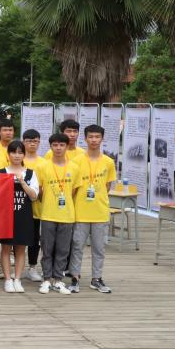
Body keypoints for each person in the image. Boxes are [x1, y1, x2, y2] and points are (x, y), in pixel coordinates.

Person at [68, 124, 116, 294]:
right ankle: (75, 278)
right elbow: (73, 188)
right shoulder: (76, 161)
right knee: (77, 247)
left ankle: (97, 278)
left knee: (99, 249)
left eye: (97, 137)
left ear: (102, 139)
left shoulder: (108, 162)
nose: (94, 140)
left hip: (100, 212)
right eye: (91, 137)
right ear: (85, 138)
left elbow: (107, 186)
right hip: (80, 212)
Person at [39, 133, 79, 295]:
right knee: (47, 249)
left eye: (61, 145)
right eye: (55, 145)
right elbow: (39, 190)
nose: (58, 148)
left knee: (63, 250)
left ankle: (58, 279)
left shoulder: (74, 167)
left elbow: (74, 191)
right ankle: (46, 279)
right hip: (48, 214)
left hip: (67, 215)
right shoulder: (43, 166)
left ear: (67, 146)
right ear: (50, 147)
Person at [0, 140, 39, 294]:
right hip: (6, 217)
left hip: (24, 216)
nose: (17, 155)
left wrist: (22, 182)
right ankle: (7, 279)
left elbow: (34, 196)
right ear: (8, 154)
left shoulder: (30, 173)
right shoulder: (0, 172)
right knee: (5, 248)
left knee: (21, 249)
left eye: (20, 152)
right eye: (13, 152)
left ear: (24, 155)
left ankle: (17, 279)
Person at [22, 129, 46, 282]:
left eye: (35, 141)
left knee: (34, 240)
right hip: (19, 207)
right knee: (17, 239)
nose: (32, 144)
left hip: (36, 208)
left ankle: (32, 267)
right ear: (23, 142)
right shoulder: (18, 159)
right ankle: (16, 268)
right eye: (29, 141)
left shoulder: (44, 163)